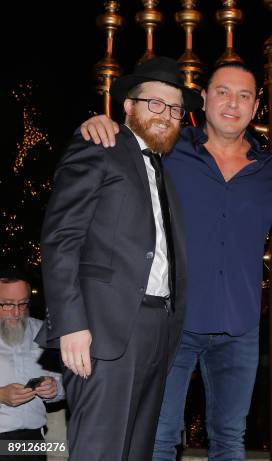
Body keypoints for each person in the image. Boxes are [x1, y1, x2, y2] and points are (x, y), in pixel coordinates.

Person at [79, 62, 272, 461]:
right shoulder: (170, 150)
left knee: (230, 438)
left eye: (244, 95)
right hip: (174, 322)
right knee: (159, 437)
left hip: (240, 327)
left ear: (257, 106)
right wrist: (95, 124)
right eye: (224, 92)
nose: (233, 103)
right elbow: (124, 145)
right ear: (205, 99)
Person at [36, 56, 200, 460]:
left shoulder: (163, 168)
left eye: (175, 108)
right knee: (99, 450)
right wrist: (71, 323)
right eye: (154, 103)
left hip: (156, 331)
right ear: (128, 106)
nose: (166, 115)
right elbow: (60, 238)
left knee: (135, 452)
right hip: (102, 332)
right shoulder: (100, 145)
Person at [0, 267, 64, 461]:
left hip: (31, 442)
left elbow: (67, 384)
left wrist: (55, 389)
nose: (16, 312)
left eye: (22, 304)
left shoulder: (43, 333)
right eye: (7, 304)